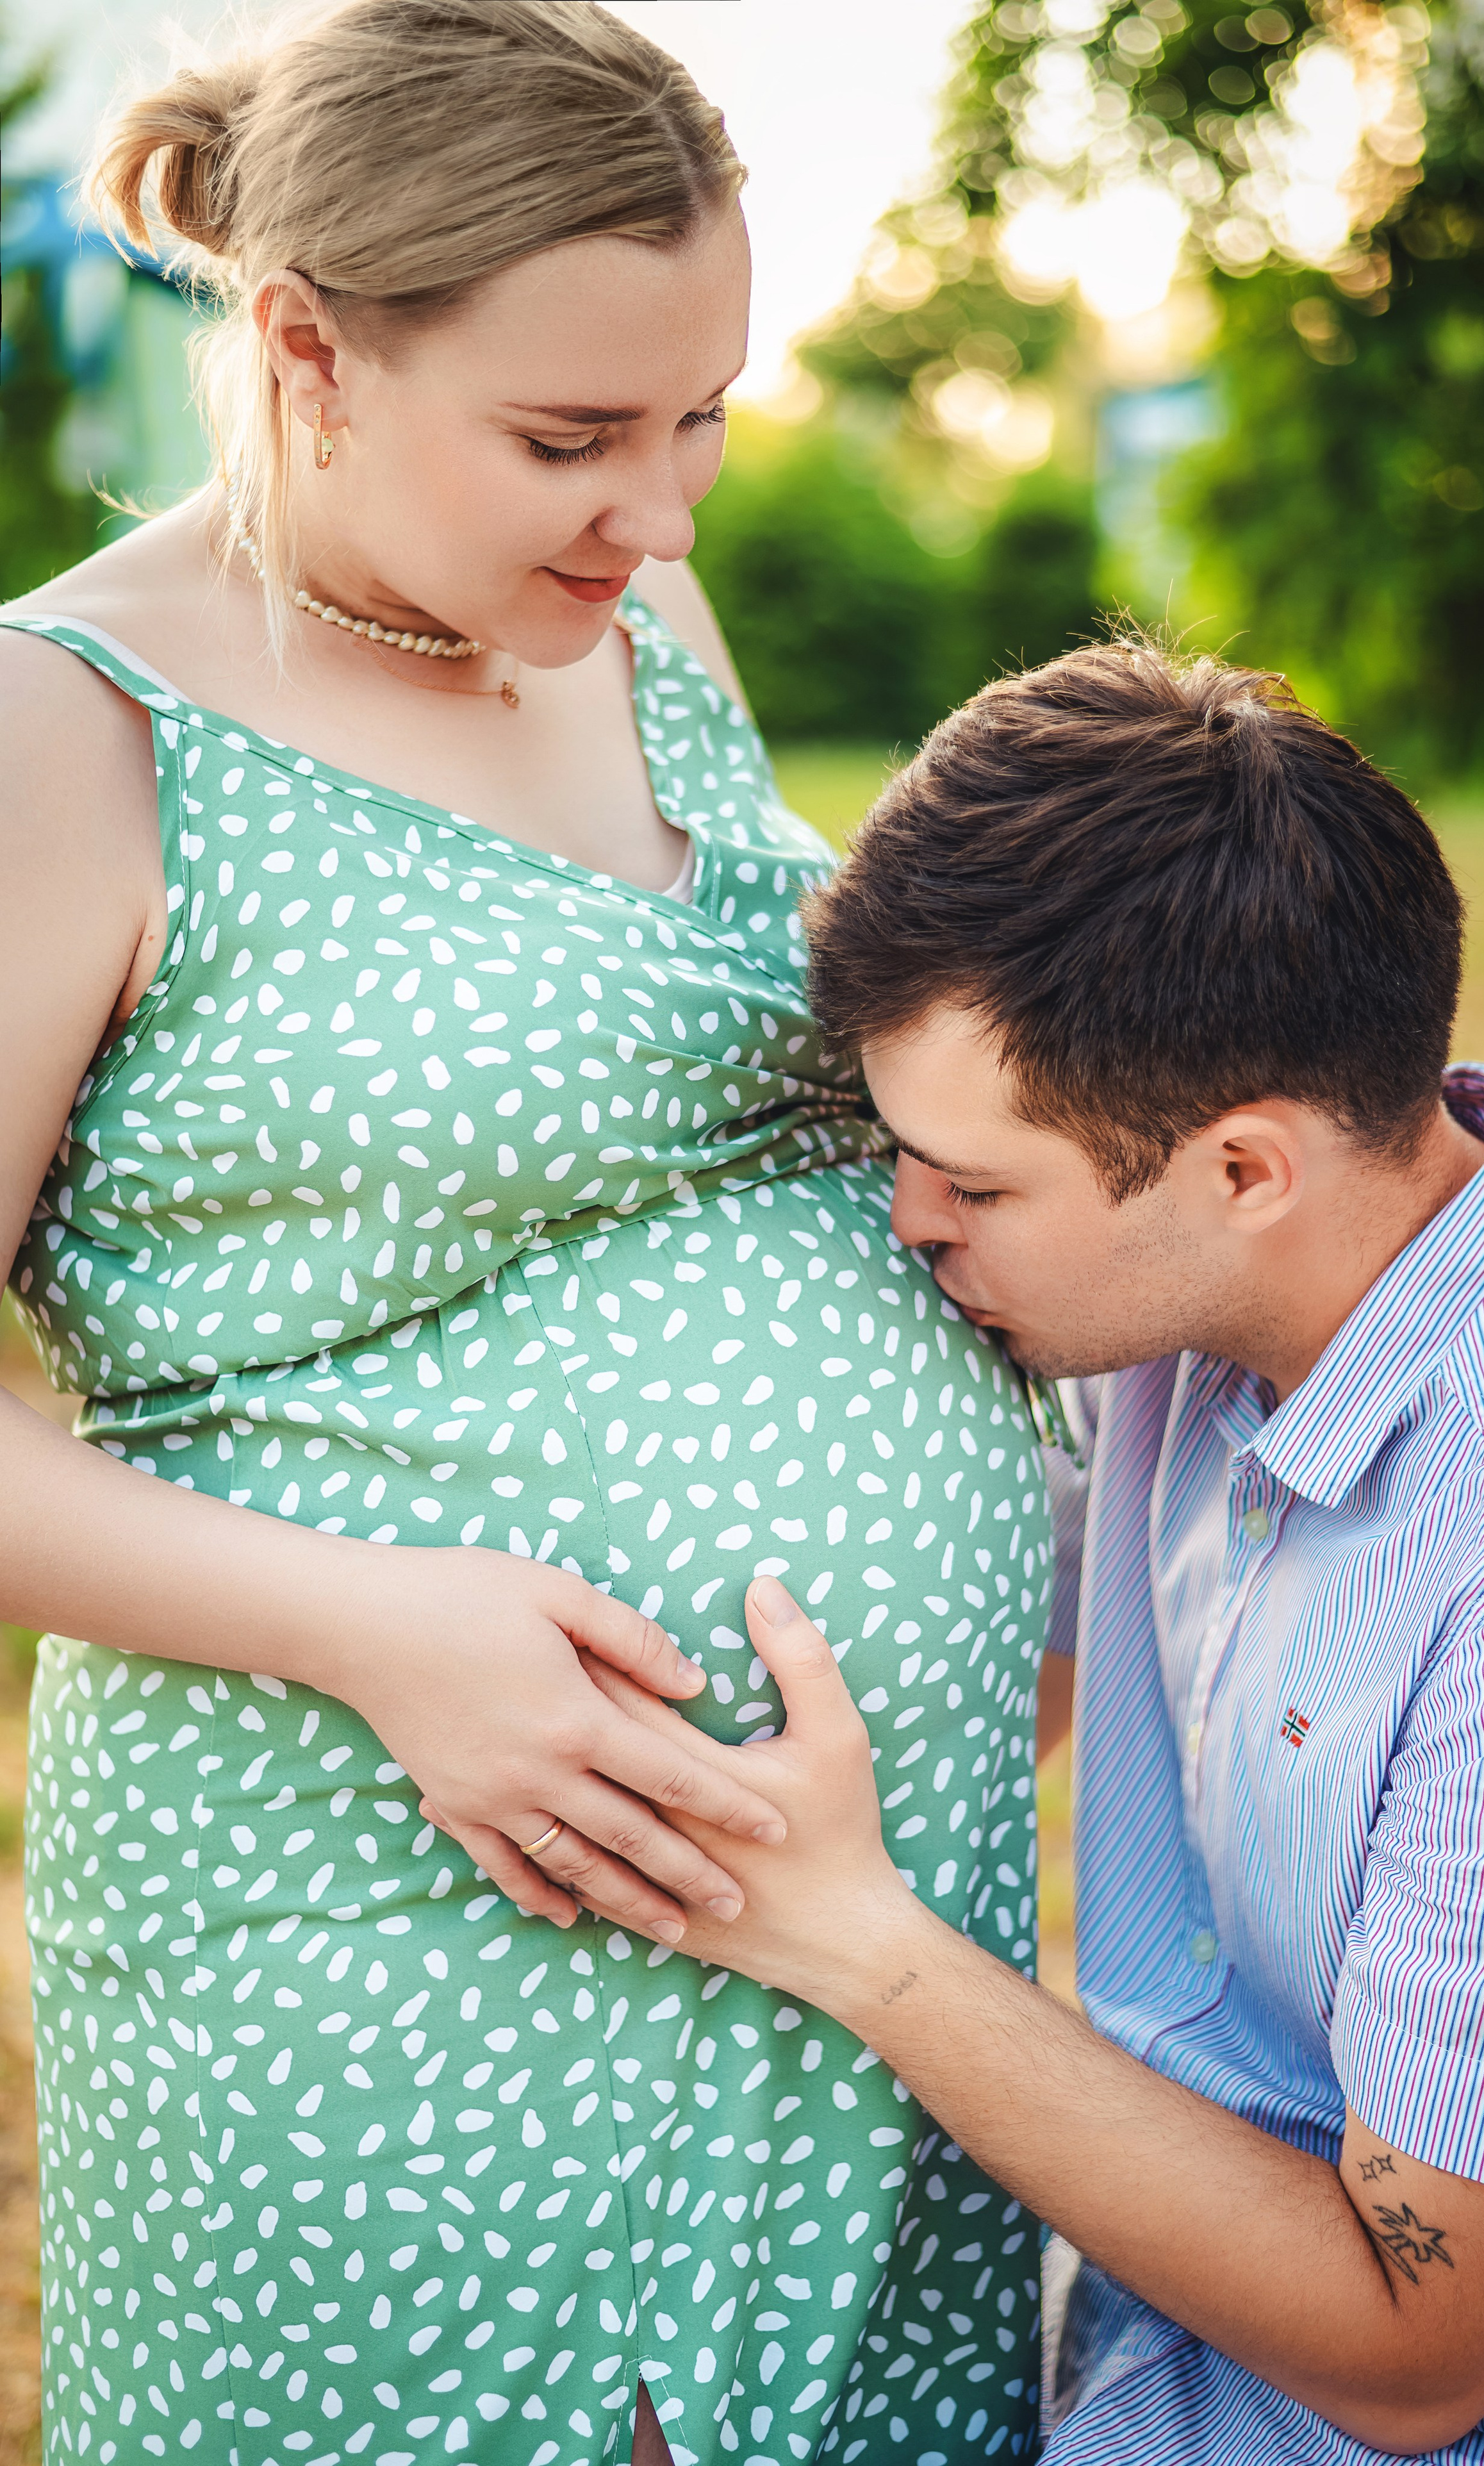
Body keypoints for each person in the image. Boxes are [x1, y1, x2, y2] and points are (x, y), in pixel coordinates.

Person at [0, 7, 1050, 2460]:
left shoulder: (640, 631)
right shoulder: (69, 735)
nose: (662, 513)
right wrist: (379, 1628)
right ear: (302, 348)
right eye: (571, 440)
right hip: (393, 1930)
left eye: (704, 418)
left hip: (864, 1937)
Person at [578, 643, 1484, 2464]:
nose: (903, 1220)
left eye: (973, 1185)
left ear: (1246, 1171)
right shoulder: (1212, 1304)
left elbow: (1418, 2352)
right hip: (1139, 2376)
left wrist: (858, 1939)